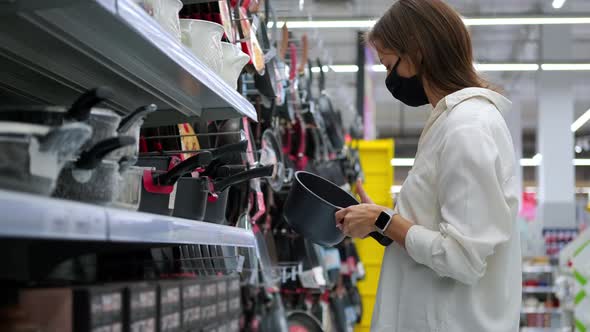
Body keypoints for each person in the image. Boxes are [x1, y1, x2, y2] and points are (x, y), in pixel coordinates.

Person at [334, 0, 522, 331]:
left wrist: (383, 219)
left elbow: (462, 258)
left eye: (390, 65)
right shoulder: (453, 122)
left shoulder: (467, 128)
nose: (391, 79)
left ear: (418, 52)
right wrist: (381, 226)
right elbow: (436, 230)